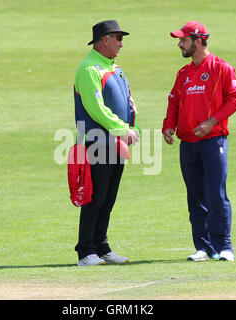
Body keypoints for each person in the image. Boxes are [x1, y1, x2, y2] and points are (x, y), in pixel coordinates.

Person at [162, 21, 236, 262]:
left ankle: (224, 246)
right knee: (195, 196)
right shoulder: (183, 74)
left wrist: (211, 122)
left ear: (198, 41)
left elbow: (235, 99)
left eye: (183, 40)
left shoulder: (222, 68)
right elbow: (174, 101)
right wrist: (168, 125)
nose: (180, 44)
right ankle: (204, 247)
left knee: (216, 194)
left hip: (213, 140)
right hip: (187, 143)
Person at [73, 20, 140, 266]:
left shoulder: (116, 69)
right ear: (104, 40)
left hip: (116, 143)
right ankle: (85, 251)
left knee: (108, 198)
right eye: (118, 39)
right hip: (97, 142)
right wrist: (123, 129)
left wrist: (134, 129)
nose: (121, 44)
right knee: (95, 197)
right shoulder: (89, 69)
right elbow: (96, 109)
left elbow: (129, 103)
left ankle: (101, 247)